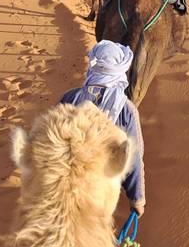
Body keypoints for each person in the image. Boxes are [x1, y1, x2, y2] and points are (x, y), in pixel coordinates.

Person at [60, 40, 146, 216]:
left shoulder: (69, 98)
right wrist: (137, 200)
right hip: (102, 191)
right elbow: (133, 157)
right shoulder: (126, 110)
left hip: (67, 187)